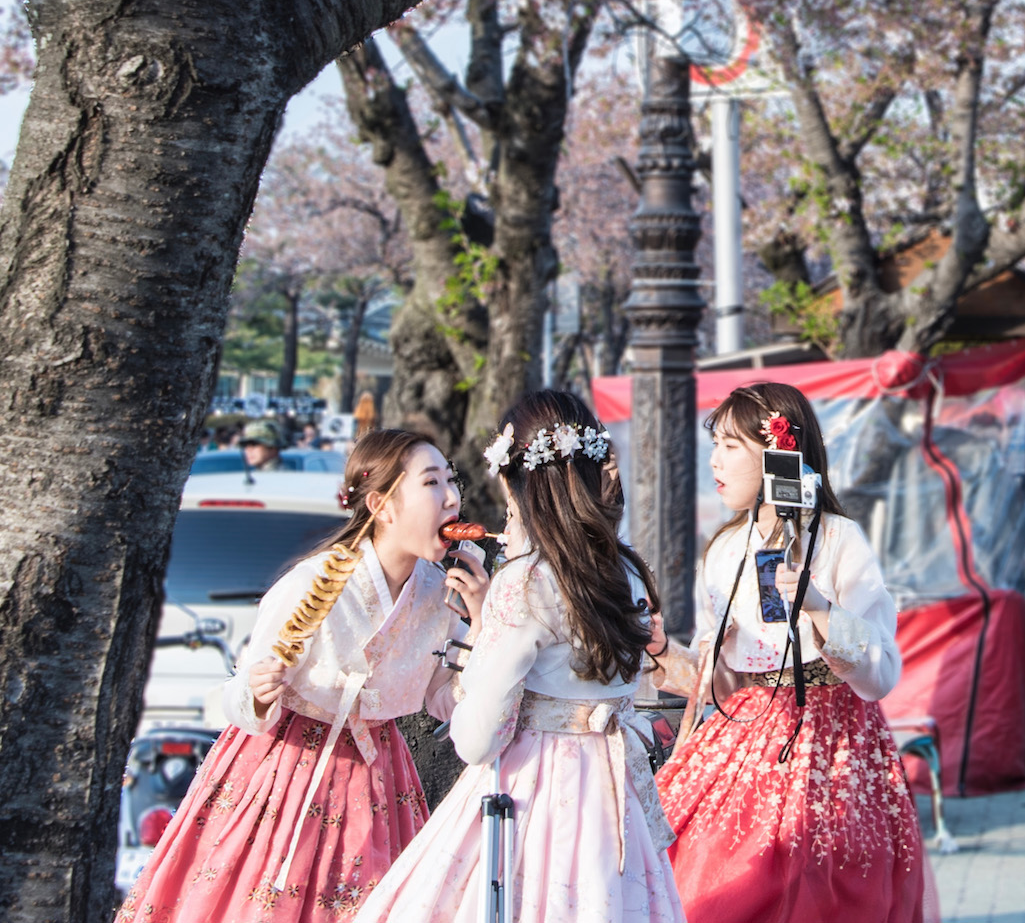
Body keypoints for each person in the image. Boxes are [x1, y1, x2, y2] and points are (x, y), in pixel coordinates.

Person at [115, 430, 485, 923]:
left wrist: (481, 622)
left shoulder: (437, 595)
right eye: (431, 482)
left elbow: (445, 696)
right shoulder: (313, 584)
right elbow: (237, 696)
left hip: (381, 778)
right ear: (383, 505)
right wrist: (257, 691)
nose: (452, 496)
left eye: (450, 480)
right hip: (288, 766)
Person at [354, 391, 684, 922]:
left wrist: (478, 643)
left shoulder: (525, 580)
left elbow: (478, 737)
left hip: (537, 788)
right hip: (612, 789)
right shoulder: (625, 569)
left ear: (514, 481)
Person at [650, 382, 933, 923]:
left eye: (731, 447)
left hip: (837, 743)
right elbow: (722, 687)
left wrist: (821, 608)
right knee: (708, 872)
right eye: (716, 446)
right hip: (743, 738)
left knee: (825, 882)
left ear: (778, 452)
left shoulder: (837, 540)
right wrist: (665, 651)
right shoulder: (725, 550)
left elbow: (881, 674)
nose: (715, 461)